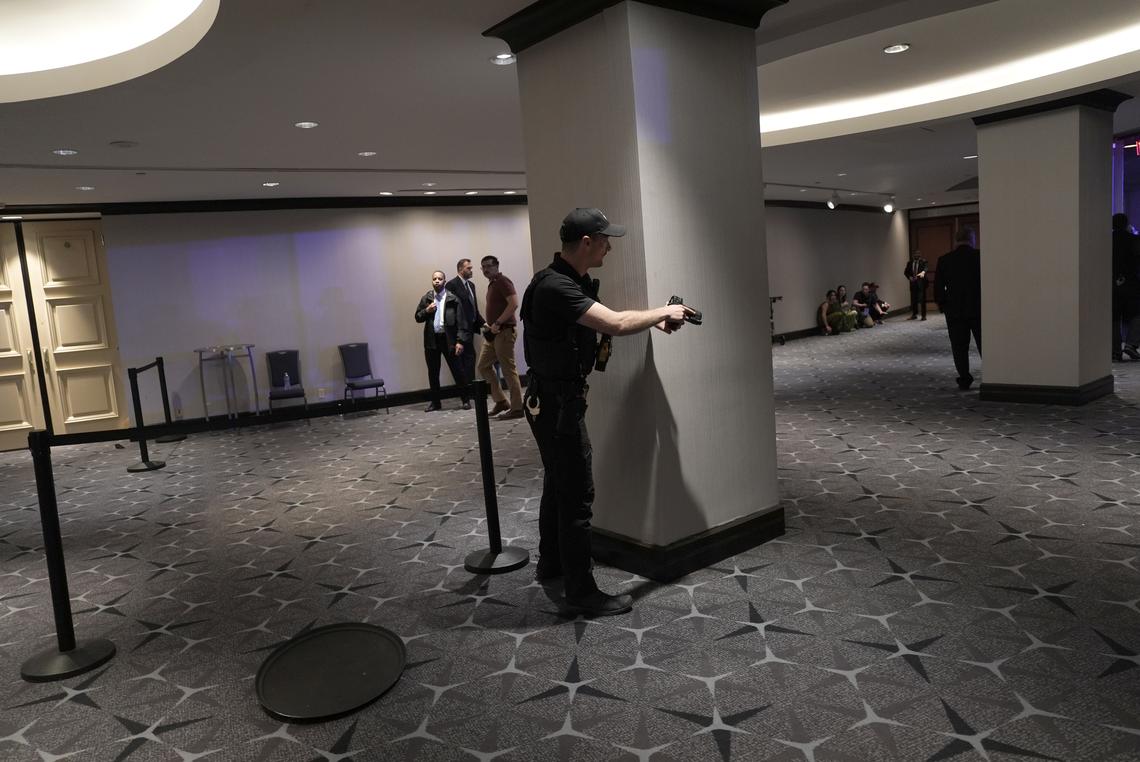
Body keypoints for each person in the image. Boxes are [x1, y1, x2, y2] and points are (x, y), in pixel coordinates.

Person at [521, 207, 689, 617]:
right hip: (557, 406)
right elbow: (613, 323)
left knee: (558, 486)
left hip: (554, 402)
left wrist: (653, 322)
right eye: (604, 240)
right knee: (577, 497)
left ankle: (553, 563)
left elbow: (604, 321)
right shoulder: (556, 287)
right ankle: (581, 591)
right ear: (586, 243)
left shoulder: (567, 281)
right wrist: (663, 313)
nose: (609, 247)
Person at [414, 270, 471, 411]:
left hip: (449, 340)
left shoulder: (452, 298)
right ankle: (436, 402)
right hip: (432, 340)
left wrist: (459, 341)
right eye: (434, 279)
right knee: (433, 372)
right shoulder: (426, 298)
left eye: (440, 278)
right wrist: (426, 310)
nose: (437, 281)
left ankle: (466, 400)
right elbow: (417, 317)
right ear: (432, 281)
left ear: (445, 281)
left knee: (458, 370)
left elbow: (461, 322)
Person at [477, 255, 525, 419]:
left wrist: (498, 322)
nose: (485, 269)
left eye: (488, 266)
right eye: (483, 267)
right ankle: (501, 401)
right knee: (483, 366)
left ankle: (517, 407)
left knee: (508, 369)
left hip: (504, 331)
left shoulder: (503, 281)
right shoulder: (492, 284)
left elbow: (514, 303)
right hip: (494, 332)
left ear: (496, 266)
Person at [935, 228, 982, 390]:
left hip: (954, 311)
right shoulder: (981, 257)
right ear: (972, 239)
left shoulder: (944, 260)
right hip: (979, 309)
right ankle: (991, 376)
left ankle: (964, 378)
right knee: (984, 344)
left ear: (956, 240)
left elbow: (938, 289)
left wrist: (944, 306)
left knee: (959, 347)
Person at [446, 258, 483, 389]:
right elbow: (451, 311)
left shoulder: (471, 285)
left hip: (471, 329)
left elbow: (473, 308)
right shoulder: (451, 285)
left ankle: (470, 388)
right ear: (460, 269)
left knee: (469, 358)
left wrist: (482, 323)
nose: (471, 270)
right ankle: (467, 389)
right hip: (460, 330)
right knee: (466, 359)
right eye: (469, 268)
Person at [1111, 214, 1140, 361]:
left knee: (1114, 317)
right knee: (1136, 314)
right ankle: (1131, 344)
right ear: (1126, 224)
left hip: (1110, 283)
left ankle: (1115, 351)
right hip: (1131, 283)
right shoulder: (1133, 240)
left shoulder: (1106, 240)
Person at [904, 251, 928, 320]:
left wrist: (923, 272)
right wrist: (909, 277)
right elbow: (906, 272)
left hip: (921, 284)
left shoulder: (924, 262)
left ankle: (924, 316)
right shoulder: (910, 263)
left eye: (918, 254)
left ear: (920, 255)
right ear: (913, 255)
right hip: (913, 283)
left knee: (922, 300)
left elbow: (926, 268)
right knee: (914, 300)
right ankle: (914, 315)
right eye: (915, 254)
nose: (917, 256)